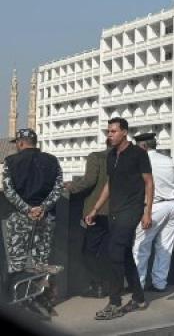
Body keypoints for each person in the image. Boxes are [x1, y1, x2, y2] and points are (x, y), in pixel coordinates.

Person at [85, 118, 154, 320]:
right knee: (124, 254)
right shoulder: (111, 156)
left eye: (113, 131)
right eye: (108, 132)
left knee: (113, 251)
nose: (110, 135)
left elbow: (149, 183)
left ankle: (115, 302)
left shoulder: (138, 154)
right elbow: (110, 184)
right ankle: (139, 298)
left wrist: (147, 212)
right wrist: (95, 209)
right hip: (114, 211)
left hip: (131, 210)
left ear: (124, 132)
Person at [2, 129, 64, 314]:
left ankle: (18, 301)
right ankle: (40, 299)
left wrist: (27, 209)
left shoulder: (10, 161)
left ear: (21, 143)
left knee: (17, 262)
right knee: (41, 262)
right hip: (46, 218)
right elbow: (58, 187)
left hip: (20, 219)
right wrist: (42, 208)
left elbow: (8, 190)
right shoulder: (52, 160)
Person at [131, 133, 174, 293]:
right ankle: (159, 283)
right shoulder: (168, 160)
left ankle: (137, 284)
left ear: (143, 146)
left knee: (141, 246)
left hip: (155, 207)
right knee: (165, 247)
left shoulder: (142, 160)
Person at [66, 141, 111, 298]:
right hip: (118, 212)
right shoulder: (125, 159)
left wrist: (71, 186)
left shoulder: (96, 157)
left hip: (97, 212)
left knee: (88, 251)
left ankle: (98, 285)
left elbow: (89, 181)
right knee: (107, 251)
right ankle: (109, 285)